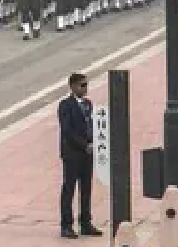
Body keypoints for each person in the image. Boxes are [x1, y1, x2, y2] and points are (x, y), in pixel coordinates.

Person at [57, 72, 102, 239]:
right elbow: (67, 131)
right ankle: (66, 225)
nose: (85, 88)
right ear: (73, 86)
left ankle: (85, 223)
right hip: (72, 154)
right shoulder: (65, 105)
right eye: (82, 85)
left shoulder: (88, 104)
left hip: (87, 154)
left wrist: (93, 143)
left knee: (86, 188)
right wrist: (84, 145)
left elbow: (91, 125)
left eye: (86, 85)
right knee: (69, 188)